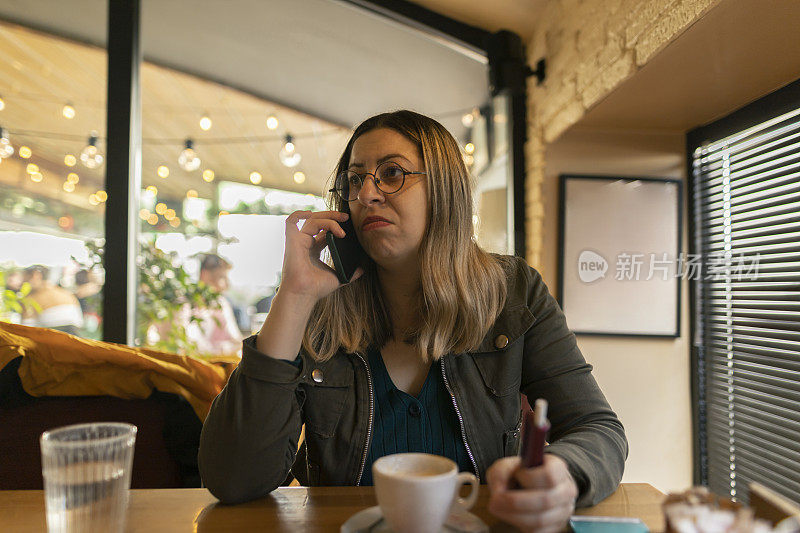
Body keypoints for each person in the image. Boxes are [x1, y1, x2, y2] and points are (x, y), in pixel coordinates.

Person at [199, 110, 627, 532]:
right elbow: (233, 479)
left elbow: (597, 428)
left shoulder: (512, 293)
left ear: (444, 189)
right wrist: (293, 296)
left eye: (391, 173)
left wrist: (564, 473)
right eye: (355, 179)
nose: (367, 193)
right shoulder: (318, 307)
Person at [189, 254, 242, 356]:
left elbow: (236, 340)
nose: (227, 285)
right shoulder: (188, 304)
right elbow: (193, 344)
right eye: (222, 277)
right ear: (205, 275)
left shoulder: (221, 303)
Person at [21, 265, 83, 335]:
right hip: (76, 336)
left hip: (54, 336)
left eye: (24, 277)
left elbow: (26, 329)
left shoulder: (32, 297)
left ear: (36, 276)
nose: (22, 282)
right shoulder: (66, 293)